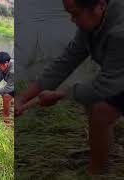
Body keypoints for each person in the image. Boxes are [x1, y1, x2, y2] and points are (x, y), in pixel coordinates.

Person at [15, 0, 124, 175]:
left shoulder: (119, 33)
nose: (72, 20)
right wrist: (22, 98)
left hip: (118, 76)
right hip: (117, 73)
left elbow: (106, 86)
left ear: (101, 6)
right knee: (96, 108)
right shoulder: (91, 25)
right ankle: (98, 164)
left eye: (75, 14)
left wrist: (60, 94)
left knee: (101, 110)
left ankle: (96, 172)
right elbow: (64, 63)